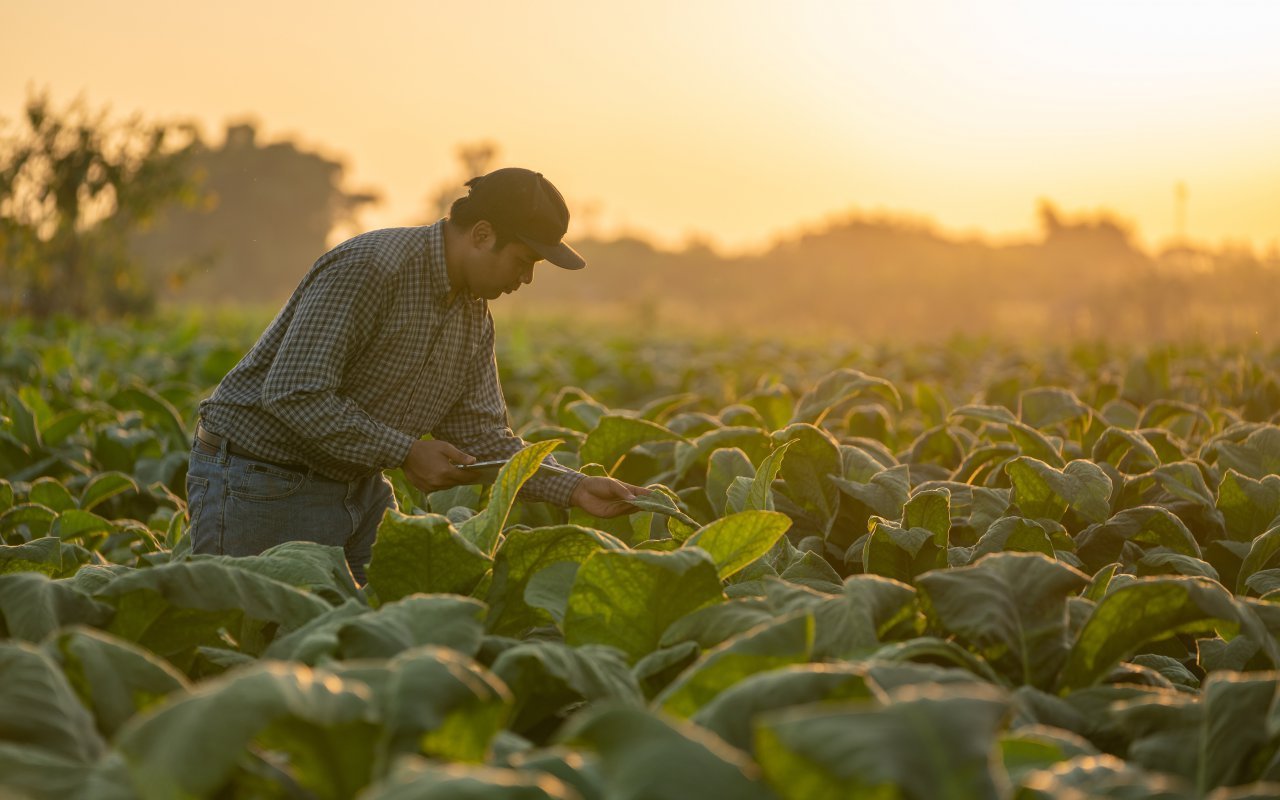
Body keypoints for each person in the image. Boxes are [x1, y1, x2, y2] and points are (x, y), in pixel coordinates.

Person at [186, 167, 646, 583]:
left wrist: (576, 487)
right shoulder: (372, 267)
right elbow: (293, 393)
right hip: (260, 482)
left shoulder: (473, 315)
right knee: (265, 653)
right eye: (524, 261)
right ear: (483, 235)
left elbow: (483, 437)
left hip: (357, 487)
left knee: (380, 640)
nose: (525, 279)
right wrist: (404, 451)